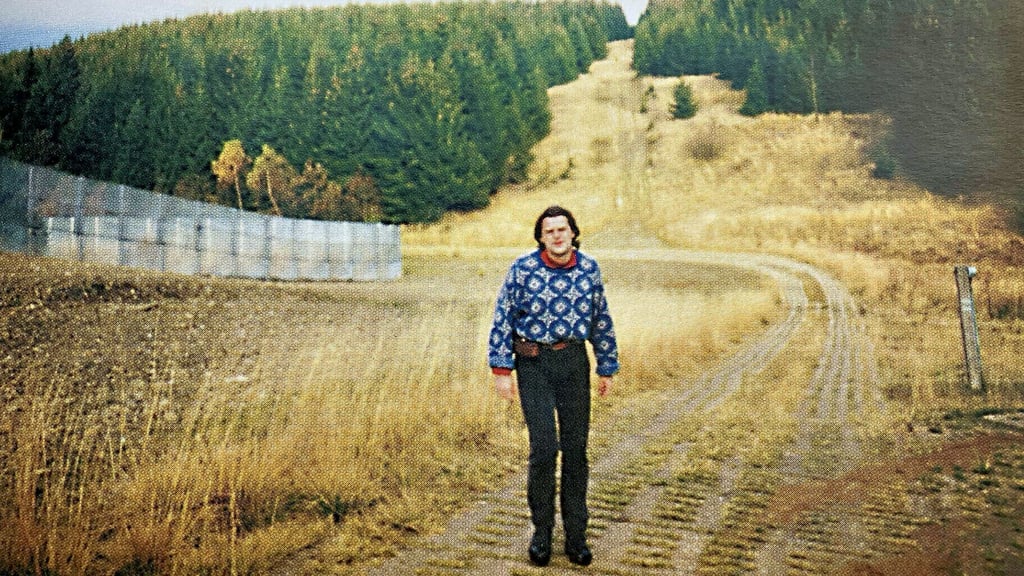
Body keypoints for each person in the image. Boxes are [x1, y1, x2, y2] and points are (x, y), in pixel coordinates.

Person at [488, 205, 619, 567]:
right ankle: (542, 533)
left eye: (563, 229)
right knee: (544, 448)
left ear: (573, 233)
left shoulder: (589, 269)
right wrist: (502, 370)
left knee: (575, 451)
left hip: (574, 364)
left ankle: (576, 536)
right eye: (550, 231)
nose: (557, 236)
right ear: (541, 237)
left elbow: (601, 319)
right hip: (534, 366)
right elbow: (502, 318)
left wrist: (606, 366)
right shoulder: (523, 270)